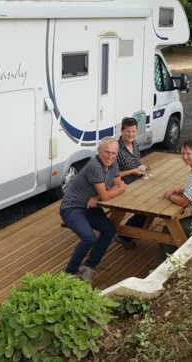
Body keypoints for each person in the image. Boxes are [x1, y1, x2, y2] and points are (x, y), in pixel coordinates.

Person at [59, 136, 127, 283]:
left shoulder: (113, 163)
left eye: (113, 153)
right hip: (72, 207)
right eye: (106, 152)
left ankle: (89, 267)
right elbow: (113, 191)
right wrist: (118, 191)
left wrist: (97, 198)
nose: (110, 156)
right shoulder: (94, 166)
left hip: (89, 206)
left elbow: (115, 184)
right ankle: (70, 272)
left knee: (109, 230)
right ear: (99, 151)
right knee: (89, 238)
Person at [113, 117, 149, 250]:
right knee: (146, 208)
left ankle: (128, 233)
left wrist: (142, 168)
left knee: (151, 201)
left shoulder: (134, 144)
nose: (131, 134)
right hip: (122, 187)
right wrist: (133, 171)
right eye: (128, 132)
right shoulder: (116, 150)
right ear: (122, 131)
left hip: (137, 183)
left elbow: (137, 163)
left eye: (133, 131)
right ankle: (124, 234)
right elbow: (113, 175)